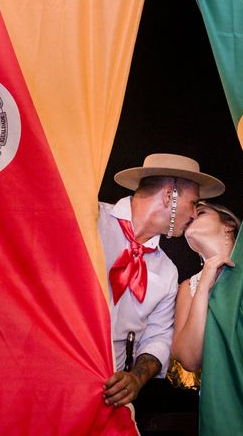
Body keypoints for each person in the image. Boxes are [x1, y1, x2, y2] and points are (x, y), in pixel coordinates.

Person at [99, 153, 224, 407]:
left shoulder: (167, 271)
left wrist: (136, 378)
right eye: (194, 203)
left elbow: (159, 338)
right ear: (170, 196)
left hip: (108, 395)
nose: (194, 214)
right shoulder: (91, 220)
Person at [171, 201, 241, 373]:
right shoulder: (188, 286)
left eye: (201, 212)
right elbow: (189, 359)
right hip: (219, 388)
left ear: (228, 225)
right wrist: (203, 287)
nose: (192, 215)